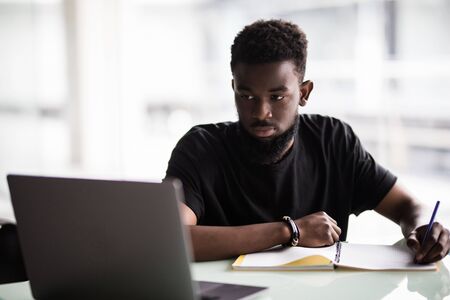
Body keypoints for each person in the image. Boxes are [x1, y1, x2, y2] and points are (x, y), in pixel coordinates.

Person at [165, 19, 450, 263]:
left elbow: (408, 206)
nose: (261, 112)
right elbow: (169, 238)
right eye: (247, 95)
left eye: (277, 97)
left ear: (304, 92)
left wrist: (424, 226)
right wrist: (289, 231)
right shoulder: (200, 148)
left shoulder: (334, 141)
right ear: (233, 89)